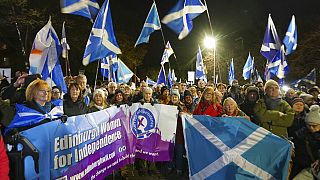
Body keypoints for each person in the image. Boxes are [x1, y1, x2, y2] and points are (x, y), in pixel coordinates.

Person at [291, 105, 320, 179]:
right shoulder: (301, 134)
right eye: (309, 125)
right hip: (308, 166)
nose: (311, 128)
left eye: (314, 125)